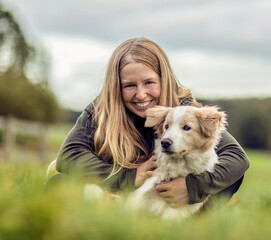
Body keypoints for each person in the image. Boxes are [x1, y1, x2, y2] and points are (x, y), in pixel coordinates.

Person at [46, 37, 250, 208]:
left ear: (164, 79)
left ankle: (191, 227)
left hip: (173, 203)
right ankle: (108, 217)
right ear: (116, 86)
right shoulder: (102, 108)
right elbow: (68, 155)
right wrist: (128, 177)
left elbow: (237, 158)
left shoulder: (183, 109)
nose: (141, 94)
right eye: (129, 85)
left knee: (230, 177)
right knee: (58, 183)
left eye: (149, 83)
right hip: (120, 193)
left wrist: (191, 187)